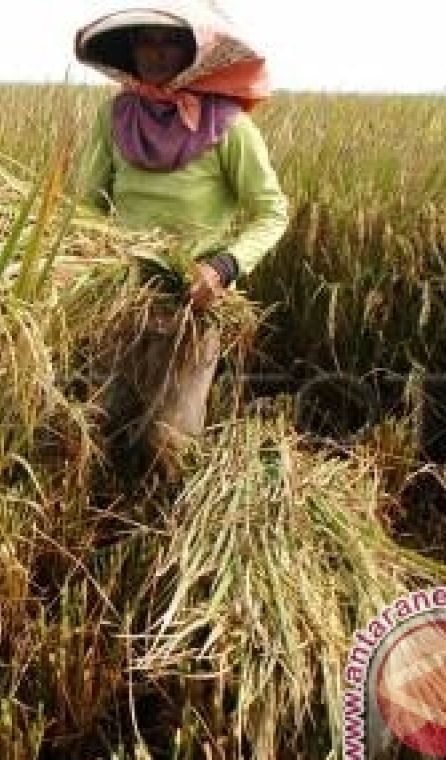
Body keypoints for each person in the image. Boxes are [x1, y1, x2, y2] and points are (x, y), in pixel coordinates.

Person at [73, 3, 289, 466]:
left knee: (170, 440)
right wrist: (90, 259)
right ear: (132, 49)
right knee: (104, 422)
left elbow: (272, 213)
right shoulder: (115, 117)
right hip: (121, 298)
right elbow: (88, 205)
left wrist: (221, 268)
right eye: (145, 40)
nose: (156, 52)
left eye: (169, 40)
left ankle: (171, 529)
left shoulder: (230, 126)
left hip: (191, 303)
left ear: (193, 51)